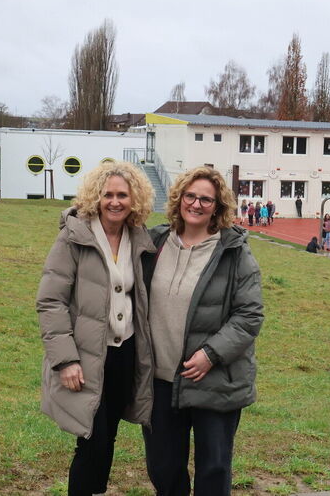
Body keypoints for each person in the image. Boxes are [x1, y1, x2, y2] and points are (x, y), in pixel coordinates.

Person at [36, 160, 157, 496]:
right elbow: (50, 301)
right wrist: (65, 360)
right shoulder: (75, 237)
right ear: (95, 197)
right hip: (86, 357)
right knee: (92, 439)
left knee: (108, 439)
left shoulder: (138, 238)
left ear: (135, 200)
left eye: (122, 195)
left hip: (124, 355)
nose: (115, 202)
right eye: (108, 195)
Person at [142, 166, 264, 496]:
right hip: (161, 379)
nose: (196, 204)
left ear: (218, 206)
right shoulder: (154, 242)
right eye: (190, 196)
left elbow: (250, 315)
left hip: (214, 379)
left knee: (213, 468)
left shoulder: (233, 251)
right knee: (164, 469)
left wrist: (211, 354)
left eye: (206, 200)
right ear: (179, 198)